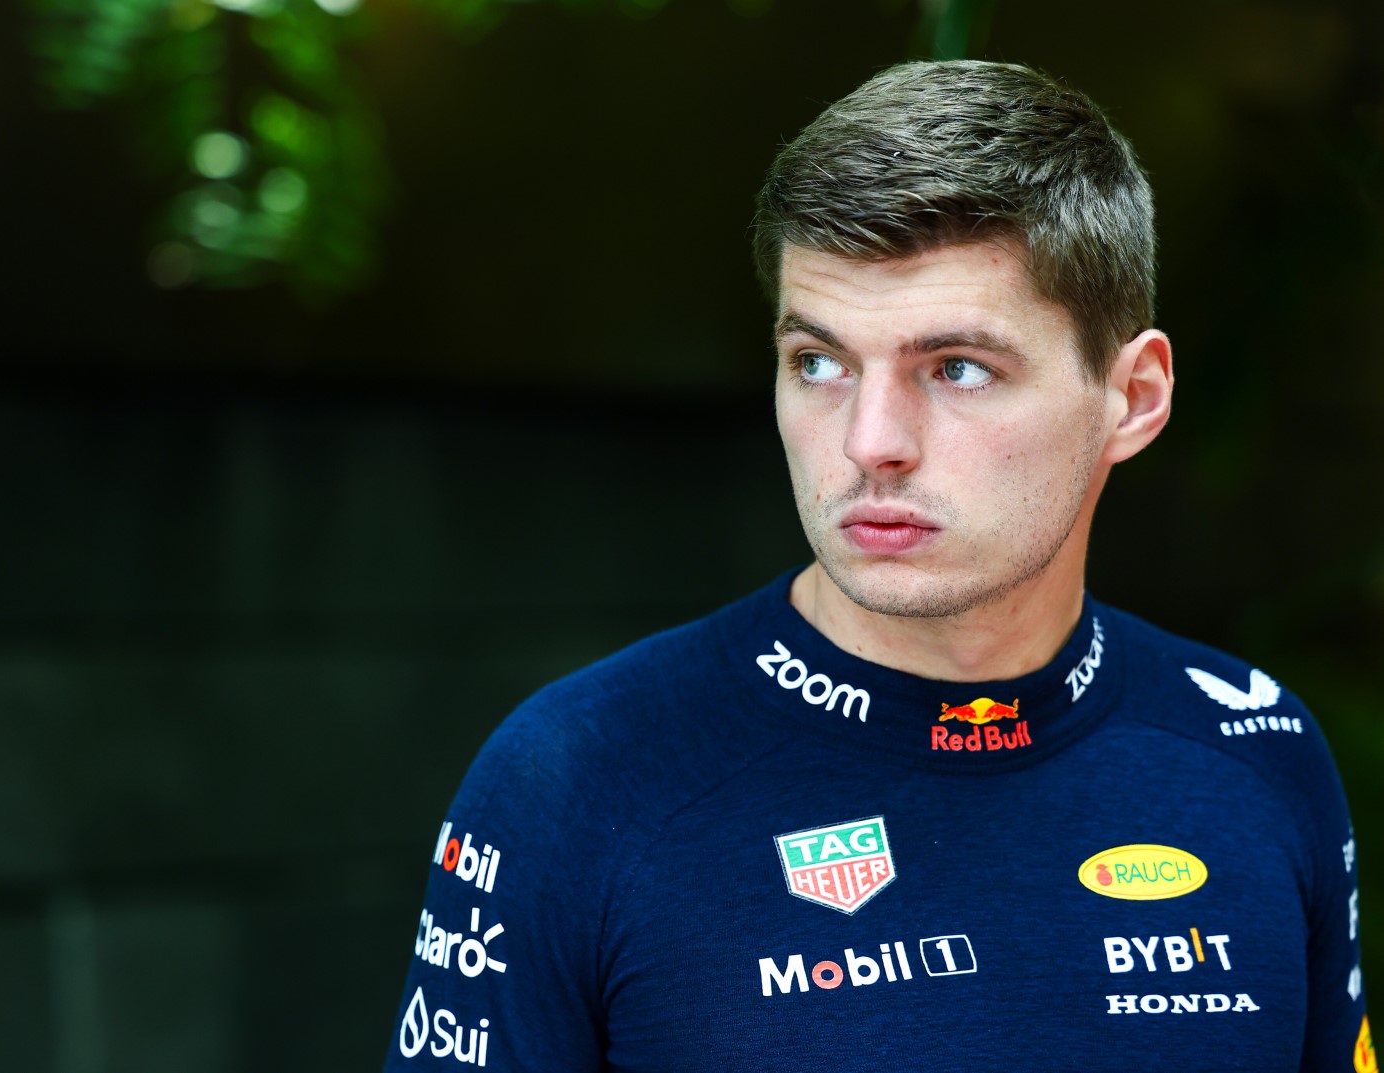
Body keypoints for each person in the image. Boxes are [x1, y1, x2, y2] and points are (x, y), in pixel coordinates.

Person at [381, 60, 1369, 1071]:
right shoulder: (580, 775)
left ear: (1134, 396)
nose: (870, 441)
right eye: (820, 361)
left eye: (958, 368)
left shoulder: (1255, 748)